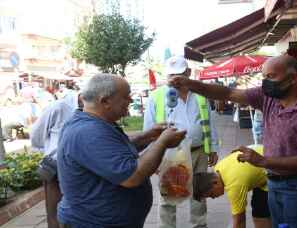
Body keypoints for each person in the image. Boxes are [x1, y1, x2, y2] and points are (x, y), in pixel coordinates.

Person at [169, 55, 297, 228]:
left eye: (270, 77)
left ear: (293, 78)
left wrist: (263, 161)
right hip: (274, 183)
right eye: (263, 77)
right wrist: (190, 84)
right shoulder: (269, 97)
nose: (265, 83)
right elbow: (228, 93)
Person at [57, 74, 187, 228]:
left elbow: (112, 150)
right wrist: (162, 142)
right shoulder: (89, 132)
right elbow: (132, 176)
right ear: (105, 101)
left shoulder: (95, 123)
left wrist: (148, 137)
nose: (131, 101)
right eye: (126, 97)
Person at [144, 55, 220, 228]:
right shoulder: (156, 96)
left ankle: (199, 225)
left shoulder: (200, 95)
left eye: (179, 75)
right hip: (170, 154)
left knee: (200, 192)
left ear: (188, 72)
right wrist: (153, 159)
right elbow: (148, 129)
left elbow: (209, 122)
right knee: (169, 195)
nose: (175, 80)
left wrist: (213, 148)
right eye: (171, 76)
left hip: (199, 152)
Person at [31, 92, 82, 228]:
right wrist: (51, 150)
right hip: (55, 167)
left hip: (79, 168)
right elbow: (36, 136)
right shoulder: (59, 107)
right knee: (54, 213)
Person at [193, 144, 271, 228]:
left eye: (211, 194)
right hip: (265, 154)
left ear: (214, 182)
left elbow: (240, 220)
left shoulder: (234, 186)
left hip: (272, 168)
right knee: (259, 211)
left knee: (262, 214)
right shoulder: (218, 168)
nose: (214, 198)